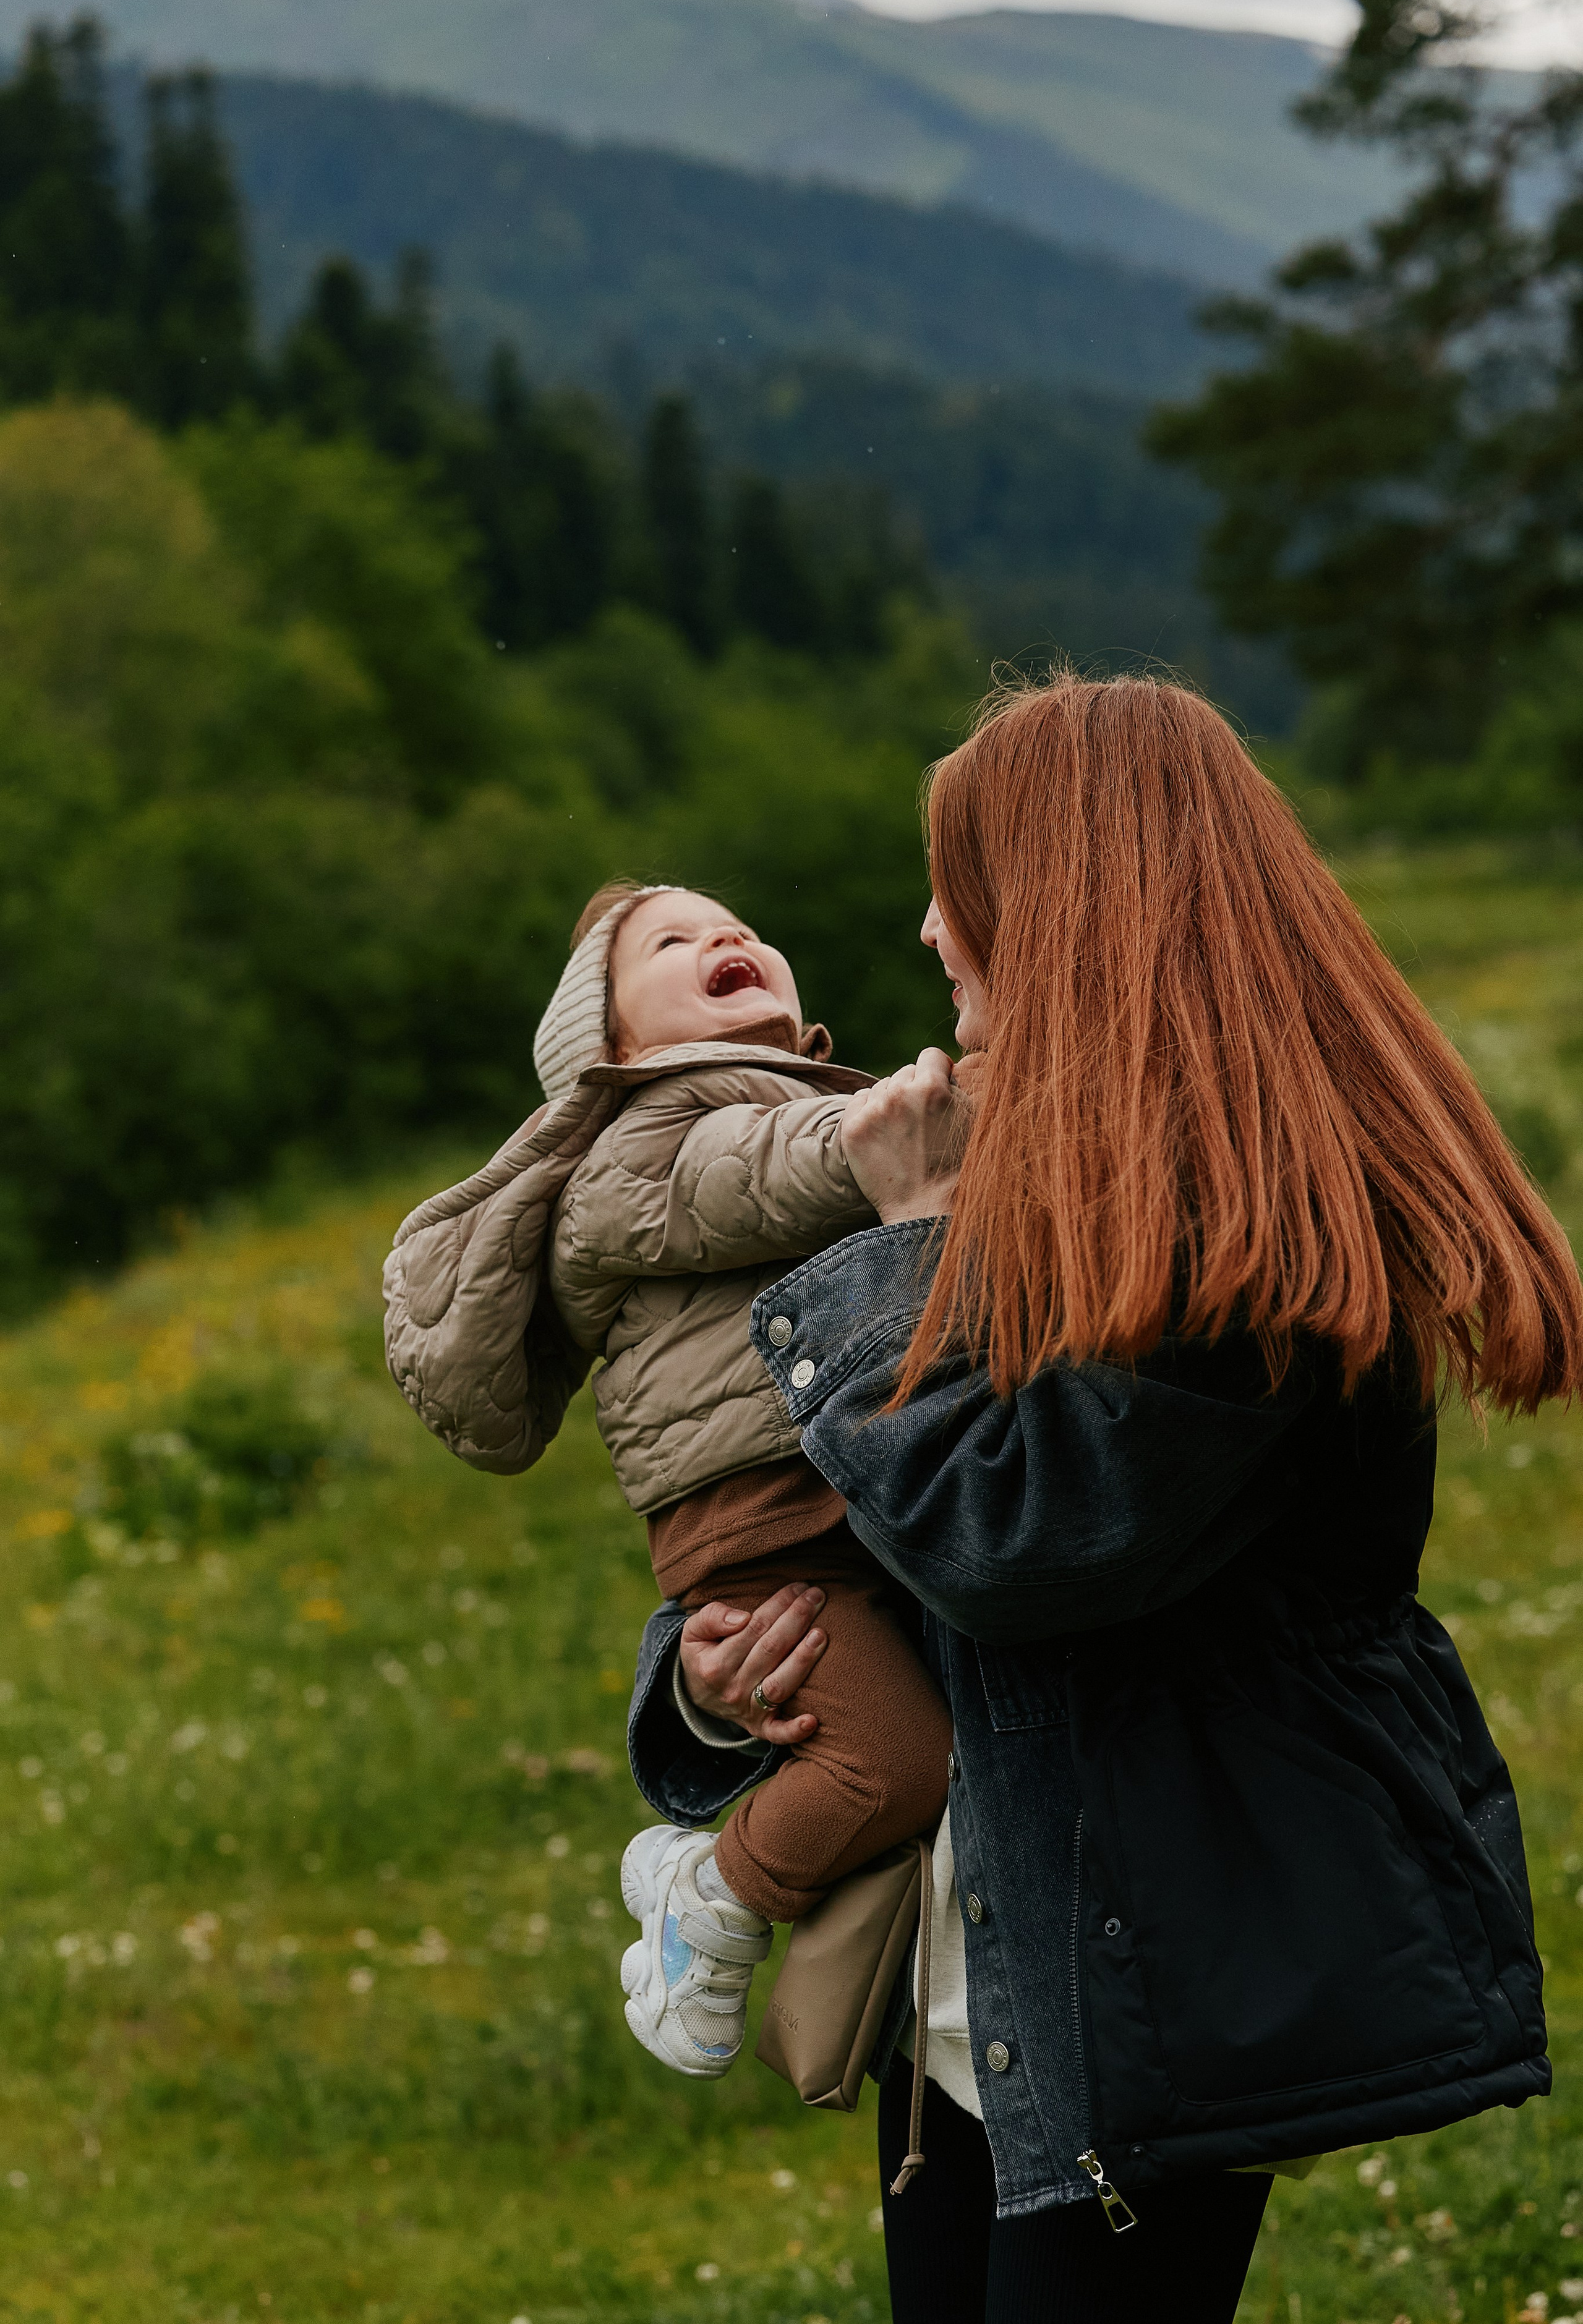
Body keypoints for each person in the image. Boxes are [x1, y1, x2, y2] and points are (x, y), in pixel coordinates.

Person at [625, 672, 1583, 2324]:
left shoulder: (1245, 1231)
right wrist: (711, 1682)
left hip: (1148, 1980)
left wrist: (911, 1247)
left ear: (1058, 909)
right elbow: (883, 1544)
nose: (928, 929)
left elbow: (1011, 1539)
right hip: (996, 1974)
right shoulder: (1083, 1177)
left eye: (959, 885)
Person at [383, 879, 950, 2082]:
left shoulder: (773, 1100)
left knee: (905, 1742)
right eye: (674, 943)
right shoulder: (648, 1143)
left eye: (736, 925)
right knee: (893, 1758)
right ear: (614, 1048)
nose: (725, 939)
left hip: (825, 1505)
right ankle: (712, 1889)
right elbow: (775, 1168)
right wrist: (944, 1113)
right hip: (765, 1532)